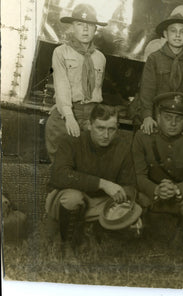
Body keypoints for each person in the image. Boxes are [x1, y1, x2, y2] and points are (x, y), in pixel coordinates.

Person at [45, 104, 140, 256]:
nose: (106, 135)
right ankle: (66, 244)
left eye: (112, 129)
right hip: (67, 199)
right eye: (100, 128)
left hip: (101, 203)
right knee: (72, 198)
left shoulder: (122, 147)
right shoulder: (72, 141)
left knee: (131, 208)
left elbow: (129, 184)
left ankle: (95, 232)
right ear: (89, 125)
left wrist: (124, 197)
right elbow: (59, 175)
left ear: (117, 128)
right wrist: (102, 183)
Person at [132, 92, 183, 244]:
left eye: (178, 119)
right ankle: (143, 227)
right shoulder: (143, 136)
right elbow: (138, 175)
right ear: (158, 118)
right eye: (167, 118)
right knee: (135, 195)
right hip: (152, 192)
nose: (173, 123)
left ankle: (182, 228)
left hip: (179, 195)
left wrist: (177, 189)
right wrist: (156, 190)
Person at [45, 4, 107, 162]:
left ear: (95, 29)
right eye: (80, 24)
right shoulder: (61, 52)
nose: (85, 30)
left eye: (90, 25)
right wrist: (68, 115)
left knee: (88, 162)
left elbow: (97, 90)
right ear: (72, 27)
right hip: (68, 111)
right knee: (61, 158)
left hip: (92, 114)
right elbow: (61, 85)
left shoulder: (100, 58)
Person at [139, 5, 183, 134]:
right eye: (173, 31)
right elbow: (147, 90)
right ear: (166, 34)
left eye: (182, 32)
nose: (177, 35)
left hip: (181, 118)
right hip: (158, 115)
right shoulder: (154, 58)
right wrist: (147, 116)